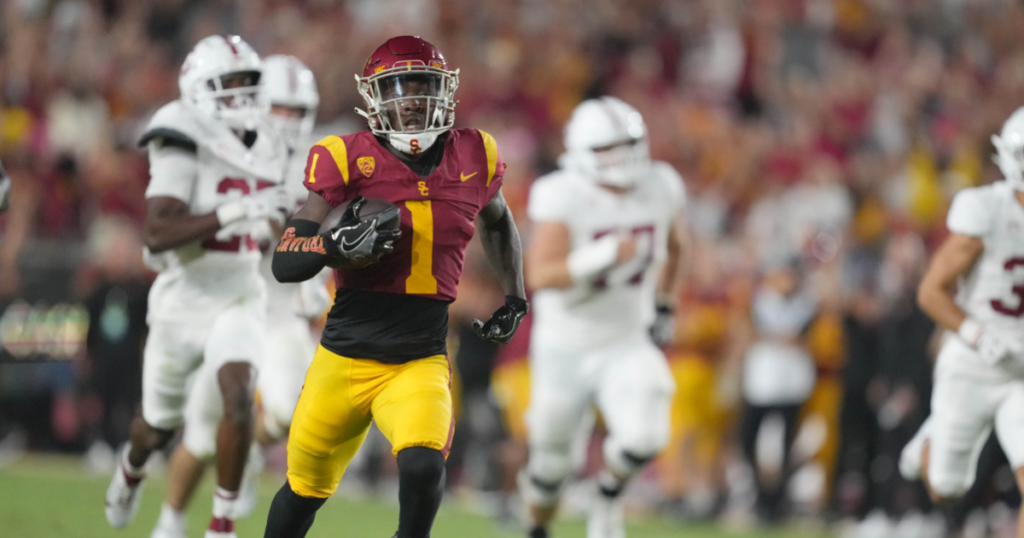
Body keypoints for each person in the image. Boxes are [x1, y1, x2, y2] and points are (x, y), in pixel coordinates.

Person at [262, 35, 529, 538]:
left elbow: (498, 221)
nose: (411, 99)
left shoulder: (475, 153)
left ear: (444, 91)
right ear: (374, 96)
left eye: (423, 85)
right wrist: (335, 247)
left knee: (424, 469)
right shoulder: (345, 156)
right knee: (303, 492)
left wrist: (515, 294)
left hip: (418, 358)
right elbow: (286, 259)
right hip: (343, 359)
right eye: (399, 87)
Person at [103, 35, 293, 538]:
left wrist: (274, 223)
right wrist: (229, 212)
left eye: (247, 84)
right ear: (198, 88)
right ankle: (132, 466)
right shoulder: (180, 131)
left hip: (239, 290)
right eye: (228, 85)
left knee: (237, 393)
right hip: (184, 298)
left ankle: (221, 524)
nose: (241, 96)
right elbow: (157, 230)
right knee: (157, 427)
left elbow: (272, 230)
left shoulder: (270, 139)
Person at [149, 54, 327, 538]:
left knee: (293, 411)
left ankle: (248, 451)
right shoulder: (222, 151)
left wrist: (314, 283)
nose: (288, 121)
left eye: (297, 111)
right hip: (231, 303)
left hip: (282, 310)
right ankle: (171, 516)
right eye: (281, 109)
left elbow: (315, 238)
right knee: (205, 433)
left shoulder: (321, 161)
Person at [520, 96, 686, 538]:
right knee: (552, 466)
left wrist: (665, 305)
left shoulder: (661, 185)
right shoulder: (562, 193)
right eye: (610, 148)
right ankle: (537, 529)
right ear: (582, 152)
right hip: (564, 346)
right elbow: (540, 273)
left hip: (625, 338)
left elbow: (675, 249)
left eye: (629, 145)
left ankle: (607, 496)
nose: (624, 158)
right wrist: (600, 257)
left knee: (646, 435)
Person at [900, 107, 1024, 538]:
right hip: (975, 362)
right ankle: (930, 440)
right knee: (947, 489)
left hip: (1023, 373)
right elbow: (931, 291)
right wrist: (977, 334)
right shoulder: (986, 209)